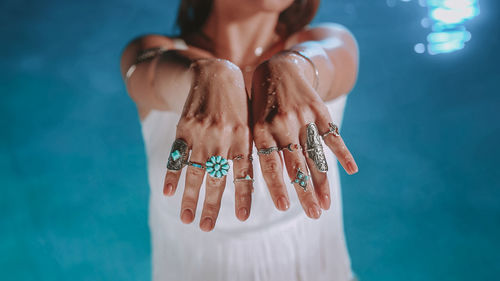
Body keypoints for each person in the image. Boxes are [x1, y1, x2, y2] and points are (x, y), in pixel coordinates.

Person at [120, 0, 359, 280]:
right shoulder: (155, 53)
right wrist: (202, 77)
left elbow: (329, 59)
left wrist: (297, 68)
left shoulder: (329, 43)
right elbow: (150, 75)